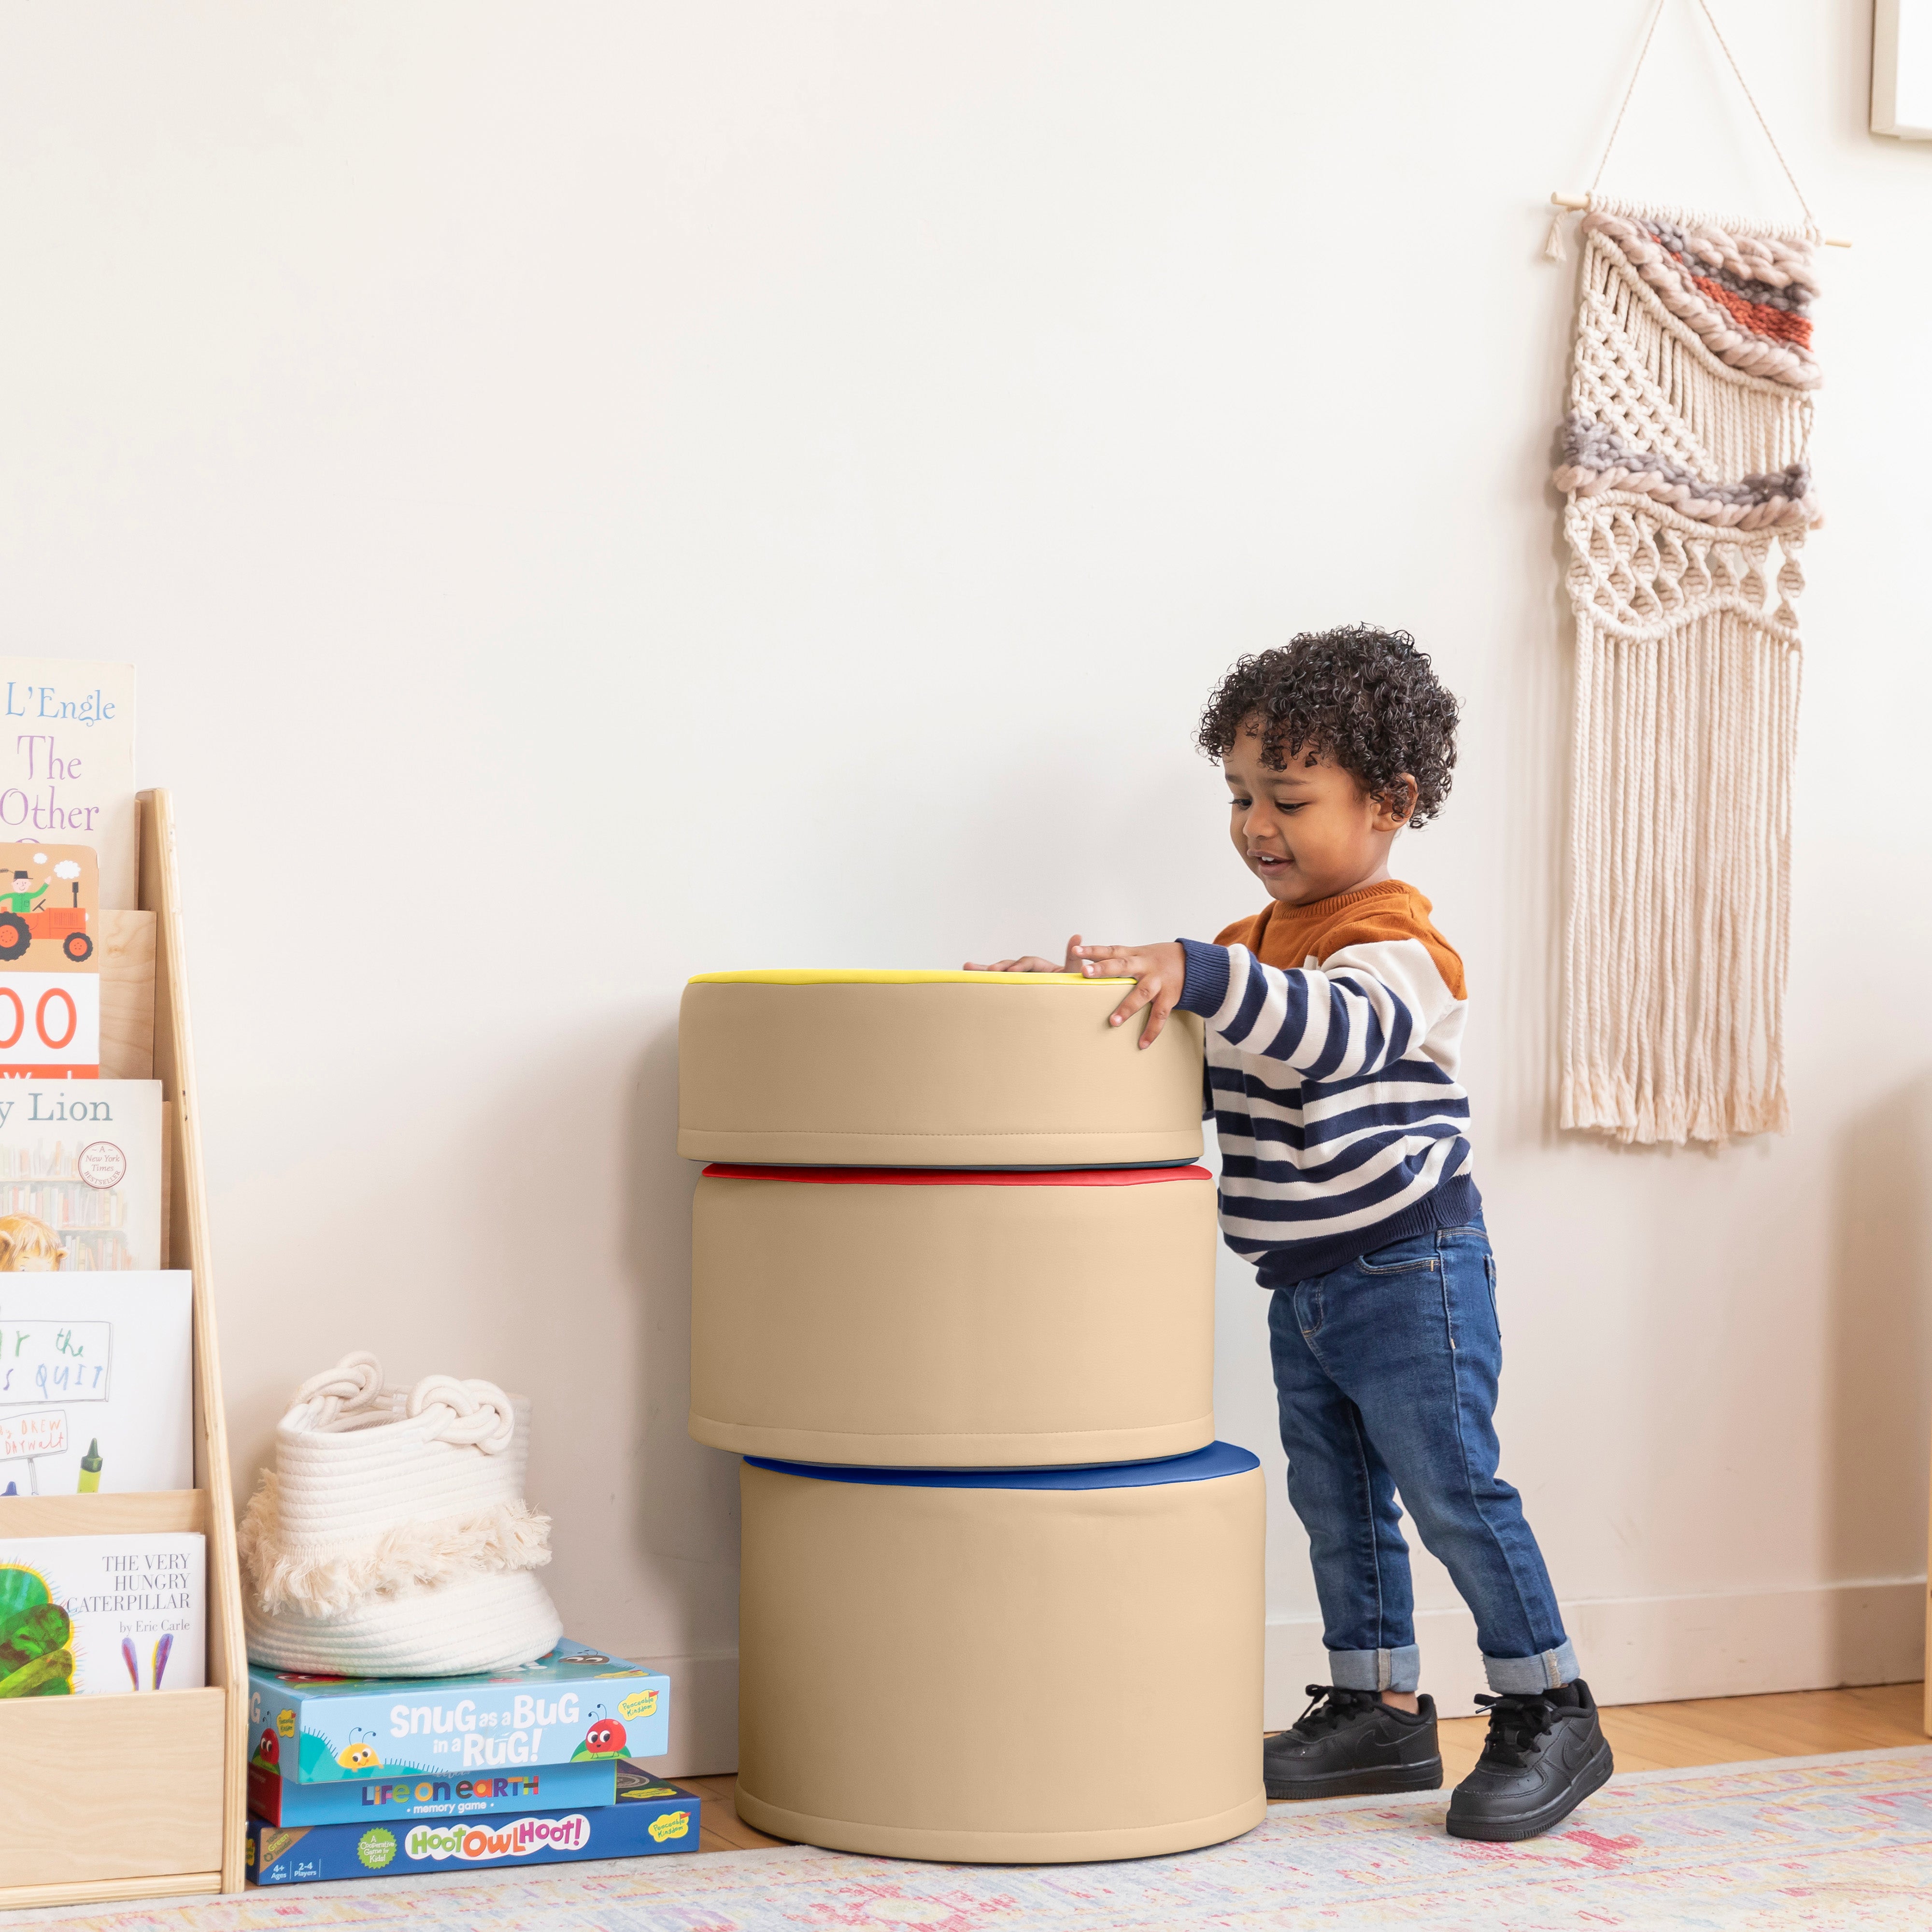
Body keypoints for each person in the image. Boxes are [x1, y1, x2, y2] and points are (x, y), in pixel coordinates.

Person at [967, 624, 1611, 1842]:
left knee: (1452, 1488)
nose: (1257, 824)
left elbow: (1322, 1032)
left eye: (1288, 797)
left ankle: (1551, 1701)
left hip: (1408, 1264)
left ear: (1390, 801)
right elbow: (1192, 1066)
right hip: (1304, 1277)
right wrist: (1061, 1009)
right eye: (1238, 794)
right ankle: (1375, 1703)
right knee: (1338, 1498)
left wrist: (1196, 970)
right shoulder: (1252, 947)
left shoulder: (1398, 949)